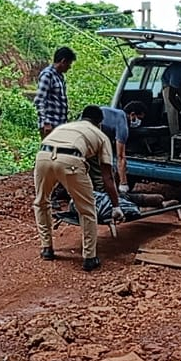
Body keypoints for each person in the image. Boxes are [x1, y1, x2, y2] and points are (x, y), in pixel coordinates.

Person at [33, 105, 123, 272]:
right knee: (87, 210)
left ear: (82, 117)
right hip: (71, 161)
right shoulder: (101, 136)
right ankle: (90, 257)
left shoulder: (66, 126)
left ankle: (47, 248)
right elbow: (107, 177)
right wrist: (116, 206)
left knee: (41, 202)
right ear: (100, 123)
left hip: (43, 156)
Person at [98, 101, 148, 194]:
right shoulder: (123, 125)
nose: (139, 122)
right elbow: (120, 157)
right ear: (132, 114)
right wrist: (123, 183)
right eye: (139, 118)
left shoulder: (113, 113)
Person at [34, 47, 76, 139]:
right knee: (49, 152)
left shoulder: (60, 76)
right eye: (69, 64)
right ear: (63, 61)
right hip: (50, 125)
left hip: (59, 124)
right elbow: (39, 100)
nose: (69, 67)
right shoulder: (48, 75)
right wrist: (46, 123)